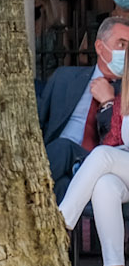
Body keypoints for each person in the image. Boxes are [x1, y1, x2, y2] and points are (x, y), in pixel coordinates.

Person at [59, 15, 129, 266]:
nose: (125, 51)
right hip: (123, 166)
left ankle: (58, 228)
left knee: (100, 157)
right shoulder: (125, 86)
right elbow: (118, 137)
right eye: (122, 44)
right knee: (104, 186)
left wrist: (112, 104)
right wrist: (116, 103)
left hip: (119, 160)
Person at [38, 18, 129, 195]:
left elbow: (118, 143)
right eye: (121, 44)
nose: (126, 52)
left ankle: (20, 192)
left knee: (64, 147)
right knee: (62, 185)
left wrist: (108, 103)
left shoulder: (126, 92)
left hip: (98, 163)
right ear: (100, 47)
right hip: (57, 162)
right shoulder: (64, 78)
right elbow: (38, 122)